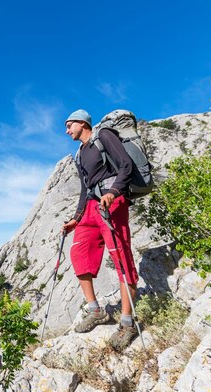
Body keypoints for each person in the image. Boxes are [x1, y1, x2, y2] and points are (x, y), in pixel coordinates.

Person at [62, 109, 139, 352]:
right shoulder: (80, 153)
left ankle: (127, 323)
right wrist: (76, 218)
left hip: (112, 202)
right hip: (91, 209)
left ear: (82, 123)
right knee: (79, 255)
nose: (66, 131)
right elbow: (85, 189)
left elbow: (126, 166)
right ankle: (95, 309)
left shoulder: (103, 136)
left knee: (121, 258)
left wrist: (113, 192)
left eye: (69, 125)